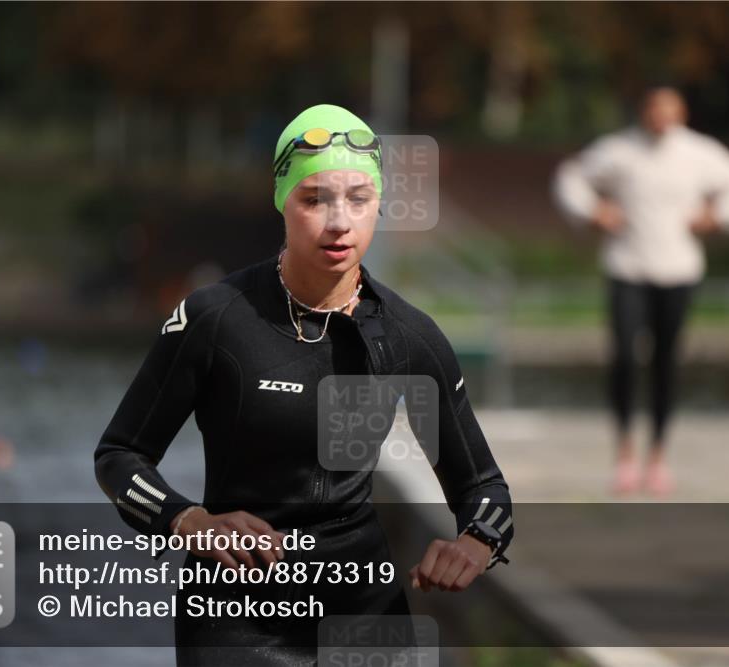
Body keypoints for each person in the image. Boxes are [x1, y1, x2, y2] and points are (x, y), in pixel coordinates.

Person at [94, 103, 514, 665]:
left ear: (379, 204)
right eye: (314, 199)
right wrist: (187, 519)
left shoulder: (410, 336)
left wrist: (475, 543)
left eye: (358, 200)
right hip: (235, 611)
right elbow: (120, 456)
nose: (339, 221)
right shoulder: (216, 319)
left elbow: (483, 488)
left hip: (363, 609)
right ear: (281, 202)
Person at [551, 86, 729, 496]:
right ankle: (625, 452)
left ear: (682, 114)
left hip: (678, 270)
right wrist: (593, 211)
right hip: (627, 267)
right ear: (644, 111)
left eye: (670, 110)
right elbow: (569, 177)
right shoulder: (618, 150)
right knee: (626, 358)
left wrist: (718, 216)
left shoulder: (701, 153)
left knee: (666, 361)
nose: (662, 118)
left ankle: (658, 455)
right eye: (655, 109)